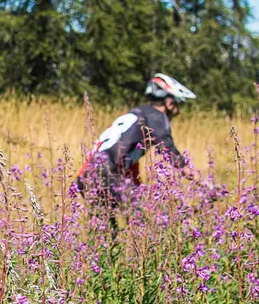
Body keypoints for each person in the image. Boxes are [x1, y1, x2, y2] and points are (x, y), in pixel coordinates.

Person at [76, 72, 196, 205]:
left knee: (112, 218)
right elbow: (167, 147)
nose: (178, 112)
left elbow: (124, 157)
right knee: (148, 214)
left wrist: (141, 191)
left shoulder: (136, 115)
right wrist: (193, 175)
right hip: (107, 175)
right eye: (179, 106)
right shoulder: (157, 116)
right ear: (169, 103)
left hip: (86, 177)